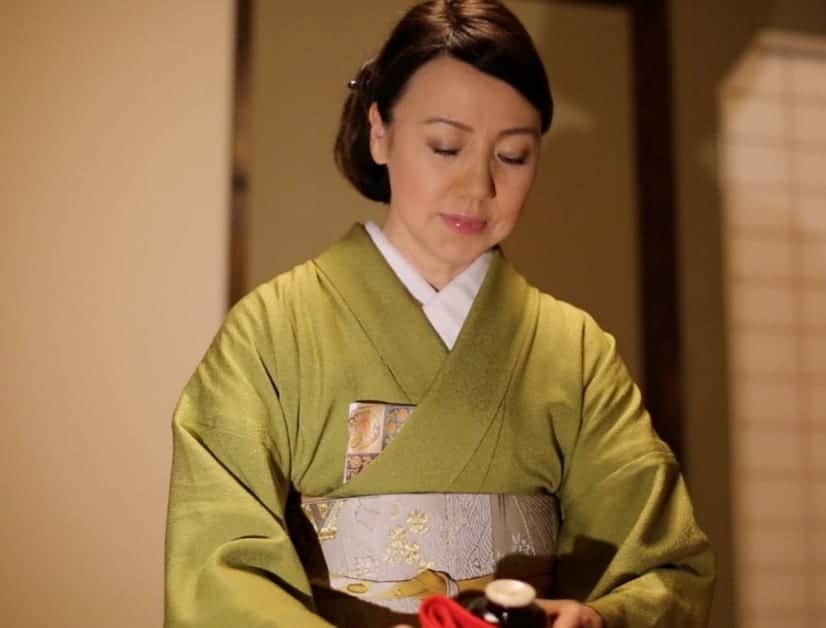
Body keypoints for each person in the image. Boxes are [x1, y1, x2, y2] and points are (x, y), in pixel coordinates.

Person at [164, 1, 714, 627]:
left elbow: (661, 569)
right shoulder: (270, 333)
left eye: (513, 156)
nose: (477, 187)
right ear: (379, 132)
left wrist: (597, 619)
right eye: (446, 147)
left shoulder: (576, 352)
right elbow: (215, 571)